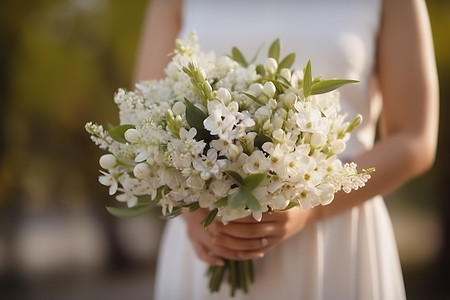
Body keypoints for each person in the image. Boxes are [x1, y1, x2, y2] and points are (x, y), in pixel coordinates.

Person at [134, 0, 439, 299]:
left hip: (336, 233)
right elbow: (146, 121)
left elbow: (415, 138)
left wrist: (314, 209)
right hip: (209, 232)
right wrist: (193, 215)